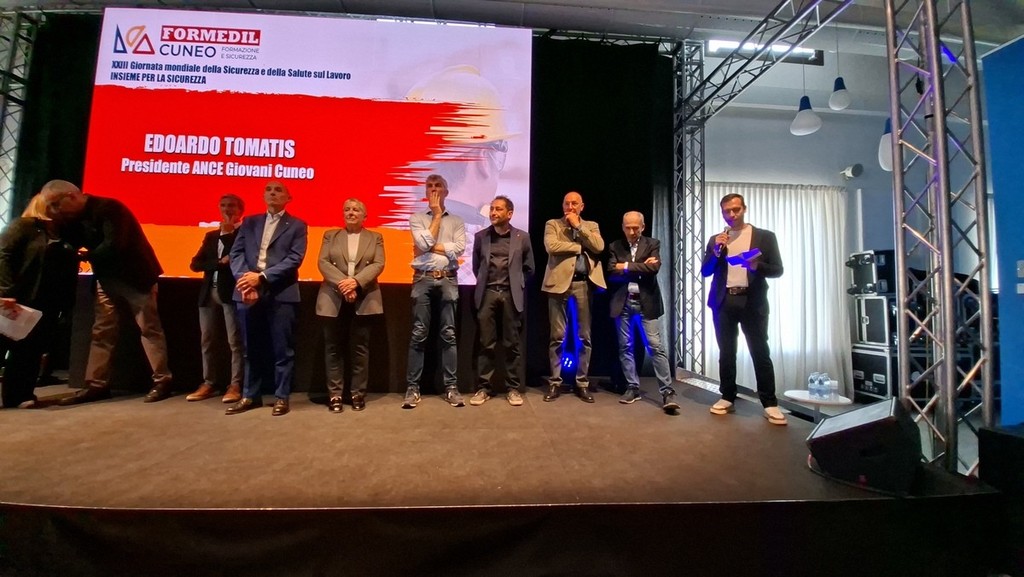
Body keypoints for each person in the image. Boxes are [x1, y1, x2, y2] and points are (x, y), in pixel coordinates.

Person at [42, 180, 175, 405]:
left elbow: (114, 244)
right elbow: (71, 242)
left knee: (149, 328)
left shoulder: (110, 208)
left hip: (136, 277)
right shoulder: (73, 218)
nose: (55, 210)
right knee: (102, 331)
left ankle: (163, 380)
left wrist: (85, 256)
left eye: (56, 204)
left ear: (71, 196)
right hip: (106, 277)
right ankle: (96, 384)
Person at [701, 193, 786, 425]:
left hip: (752, 301)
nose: (731, 215)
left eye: (736, 209)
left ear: (744, 209)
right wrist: (717, 251)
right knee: (726, 352)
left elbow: (778, 270)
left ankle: (769, 402)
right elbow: (706, 271)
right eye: (726, 211)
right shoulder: (716, 239)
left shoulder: (764, 237)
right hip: (724, 301)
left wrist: (756, 265)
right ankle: (727, 396)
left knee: (760, 351)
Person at [226, 181, 307, 416]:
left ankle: (281, 397)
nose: (272, 193)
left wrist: (261, 277)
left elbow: (295, 258)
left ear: (288, 198)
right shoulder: (250, 222)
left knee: (283, 349)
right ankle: (250, 395)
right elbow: (236, 253)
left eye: (278, 190)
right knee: (250, 348)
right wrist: (244, 279)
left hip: (280, 291)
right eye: (268, 190)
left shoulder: (297, 225)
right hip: (247, 291)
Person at [0, 193, 79, 408]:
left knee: (30, 350)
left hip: (46, 300)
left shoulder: (62, 232)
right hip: (18, 297)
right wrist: (4, 291)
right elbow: (3, 255)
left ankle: (19, 395)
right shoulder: (23, 226)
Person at [403, 174, 466, 409]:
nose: (433, 189)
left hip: (448, 278)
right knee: (419, 333)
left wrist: (431, 247)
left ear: (446, 192)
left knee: (448, 334)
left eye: (438, 185)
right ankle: (412, 388)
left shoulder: (457, 220)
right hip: (423, 278)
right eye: (429, 186)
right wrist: (437, 215)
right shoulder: (417, 218)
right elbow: (422, 244)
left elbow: (459, 249)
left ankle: (451, 387)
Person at [315, 198, 385, 412]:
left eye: (356, 210)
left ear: (365, 216)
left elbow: (378, 263)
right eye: (347, 209)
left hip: (364, 296)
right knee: (333, 348)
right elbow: (323, 262)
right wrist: (344, 284)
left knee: (360, 349)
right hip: (332, 297)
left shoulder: (375, 237)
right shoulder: (330, 235)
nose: (351, 213)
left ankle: (357, 394)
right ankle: (335, 395)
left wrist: (355, 282)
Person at [606, 211, 680, 413]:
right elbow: (611, 271)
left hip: (647, 302)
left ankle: (667, 391)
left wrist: (625, 266)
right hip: (623, 302)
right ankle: (632, 387)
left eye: (635, 228)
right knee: (625, 346)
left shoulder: (652, 244)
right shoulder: (615, 246)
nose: (632, 232)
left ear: (643, 227)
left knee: (655, 346)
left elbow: (653, 269)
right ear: (622, 227)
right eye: (628, 228)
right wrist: (640, 267)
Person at [469, 195, 534, 407]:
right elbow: (476, 267)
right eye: (492, 209)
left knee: (511, 344)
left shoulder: (522, 237)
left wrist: (515, 284)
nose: (493, 213)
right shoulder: (481, 237)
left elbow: (529, 268)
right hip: (487, 293)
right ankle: (483, 388)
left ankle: (513, 388)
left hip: (510, 295)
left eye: (498, 209)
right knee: (485, 343)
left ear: (510, 213)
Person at [542, 191, 605, 403]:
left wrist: (579, 227)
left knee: (584, 336)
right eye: (567, 203)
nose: (570, 207)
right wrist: (579, 247)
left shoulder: (591, 226)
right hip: (558, 285)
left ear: (582, 206)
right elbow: (552, 246)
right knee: (557, 336)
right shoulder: (553, 224)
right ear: (562, 206)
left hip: (583, 284)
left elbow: (599, 246)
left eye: (574, 203)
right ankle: (555, 382)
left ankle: (582, 383)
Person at [186, 194, 246, 404]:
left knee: (234, 341)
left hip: (230, 294)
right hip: (208, 294)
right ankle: (209, 382)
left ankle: (236, 384)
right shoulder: (211, 235)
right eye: (223, 205)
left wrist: (228, 235)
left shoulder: (244, 234)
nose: (227, 209)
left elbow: (237, 261)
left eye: (232, 206)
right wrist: (219, 263)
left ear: (240, 210)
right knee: (207, 340)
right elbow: (195, 264)